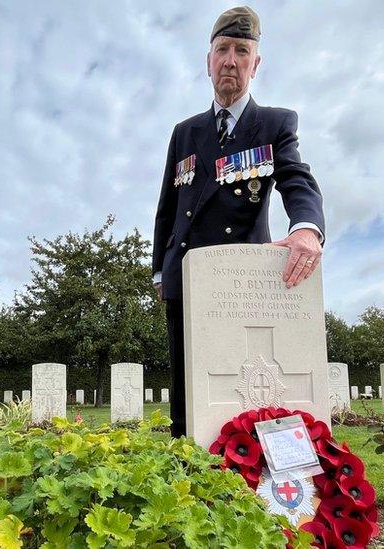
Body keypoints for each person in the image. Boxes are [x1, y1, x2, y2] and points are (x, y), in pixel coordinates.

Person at [152, 6, 326, 438]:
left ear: (255, 63)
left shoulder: (273, 123)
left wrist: (306, 226)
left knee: (241, 390)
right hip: (187, 272)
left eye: (241, 51)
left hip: (240, 274)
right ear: (208, 60)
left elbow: (296, 179)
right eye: (222, 50)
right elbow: (168, 207)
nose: (231, 60)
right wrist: (160, 270)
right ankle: (186, 485)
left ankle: (244, 478)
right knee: (185, 401)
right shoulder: (185, 132)